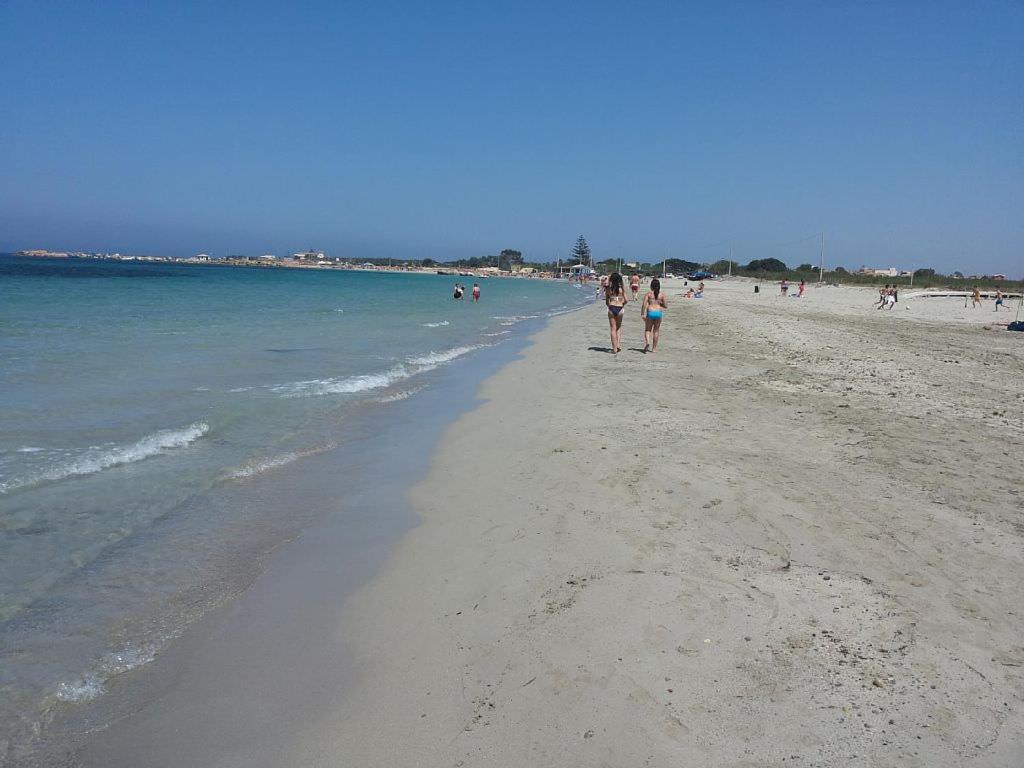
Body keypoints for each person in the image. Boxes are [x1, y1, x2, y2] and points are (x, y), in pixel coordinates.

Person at [604, 271, 628, 353]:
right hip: (620, 308)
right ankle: (618, 345)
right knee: (618, 328)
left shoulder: (608, 289)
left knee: (612, 329)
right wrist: (622, 304)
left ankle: (614, 349)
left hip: (612, 307)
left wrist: (610, 306)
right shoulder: (621, 289)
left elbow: (607, 301)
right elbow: (626, 300)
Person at [641, 277, 667, 353]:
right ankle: (654, 348)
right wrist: (659, 303)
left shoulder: (648, 294)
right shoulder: (662, 295)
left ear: (651, 286)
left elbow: (644, 304)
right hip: (658, 312)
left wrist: (642, 313)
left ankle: (648, 342)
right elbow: (666, 305)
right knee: (656, 331)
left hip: (650, 312)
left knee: (648, 329)